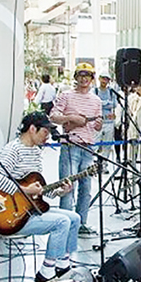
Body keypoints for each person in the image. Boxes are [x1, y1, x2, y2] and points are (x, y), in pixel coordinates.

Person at [0, 112, 81, 282]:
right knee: (62, 222)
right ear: (32, 129)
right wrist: (24, 189)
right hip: (11, 216)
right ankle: (46, 271)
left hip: (30, 209)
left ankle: (63, 264)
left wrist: (59, 192)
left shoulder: (35, 152)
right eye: (44, 132)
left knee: (74, 218)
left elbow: (38, 190)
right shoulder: (13, 150)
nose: (48, 137)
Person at [50, 62, 103, 234]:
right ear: (76, 78)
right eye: (81, 75)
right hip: (70, 145)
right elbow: (53, 116)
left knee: (86, 188)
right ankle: (65, 223)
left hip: (88, 147)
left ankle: (81, 223)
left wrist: (99, 124)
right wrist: (70, 118)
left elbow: (96, 126)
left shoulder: (96, 100)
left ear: (92, 79)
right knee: (67, 186)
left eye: (87, 76)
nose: (84, 79)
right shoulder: (66, 95)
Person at [94, 72, 117, 161]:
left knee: (107, 144)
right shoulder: (94, 91)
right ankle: (94, 163)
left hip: (109, 121)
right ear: (99, 79)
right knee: (95, 143)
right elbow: (95, 104)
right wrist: (107, 102)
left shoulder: (111, 92)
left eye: (107, 79)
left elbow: (114, 104)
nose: (105, 81)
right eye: (103, 78)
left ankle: (104, 164)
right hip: (97, 121)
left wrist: (102, 103)